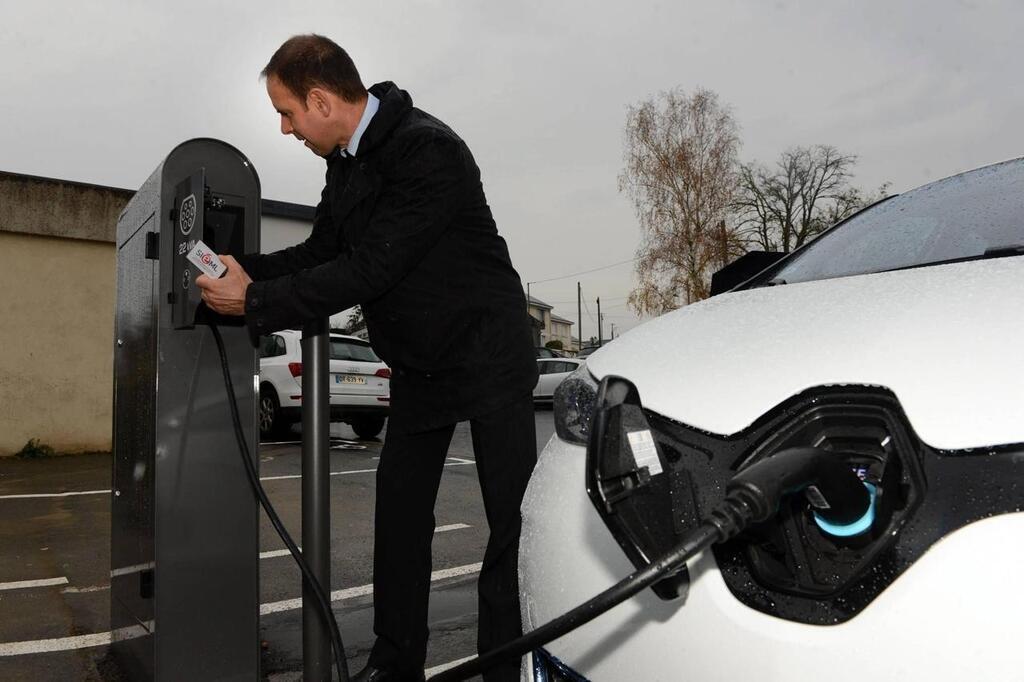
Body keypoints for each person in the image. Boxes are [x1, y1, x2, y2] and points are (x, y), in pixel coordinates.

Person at [197, 34, 538, 682]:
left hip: (487, 354)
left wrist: (257, 301)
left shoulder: (427, 149)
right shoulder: (347, 166)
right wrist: (246, 271)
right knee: (400, 521)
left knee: (509, 531)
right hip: (418, 366)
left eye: (287, 112)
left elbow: (371, 266)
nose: (284, 126)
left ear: (321, 100)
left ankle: (504, 669)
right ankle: (394, 664)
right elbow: (324, 252)